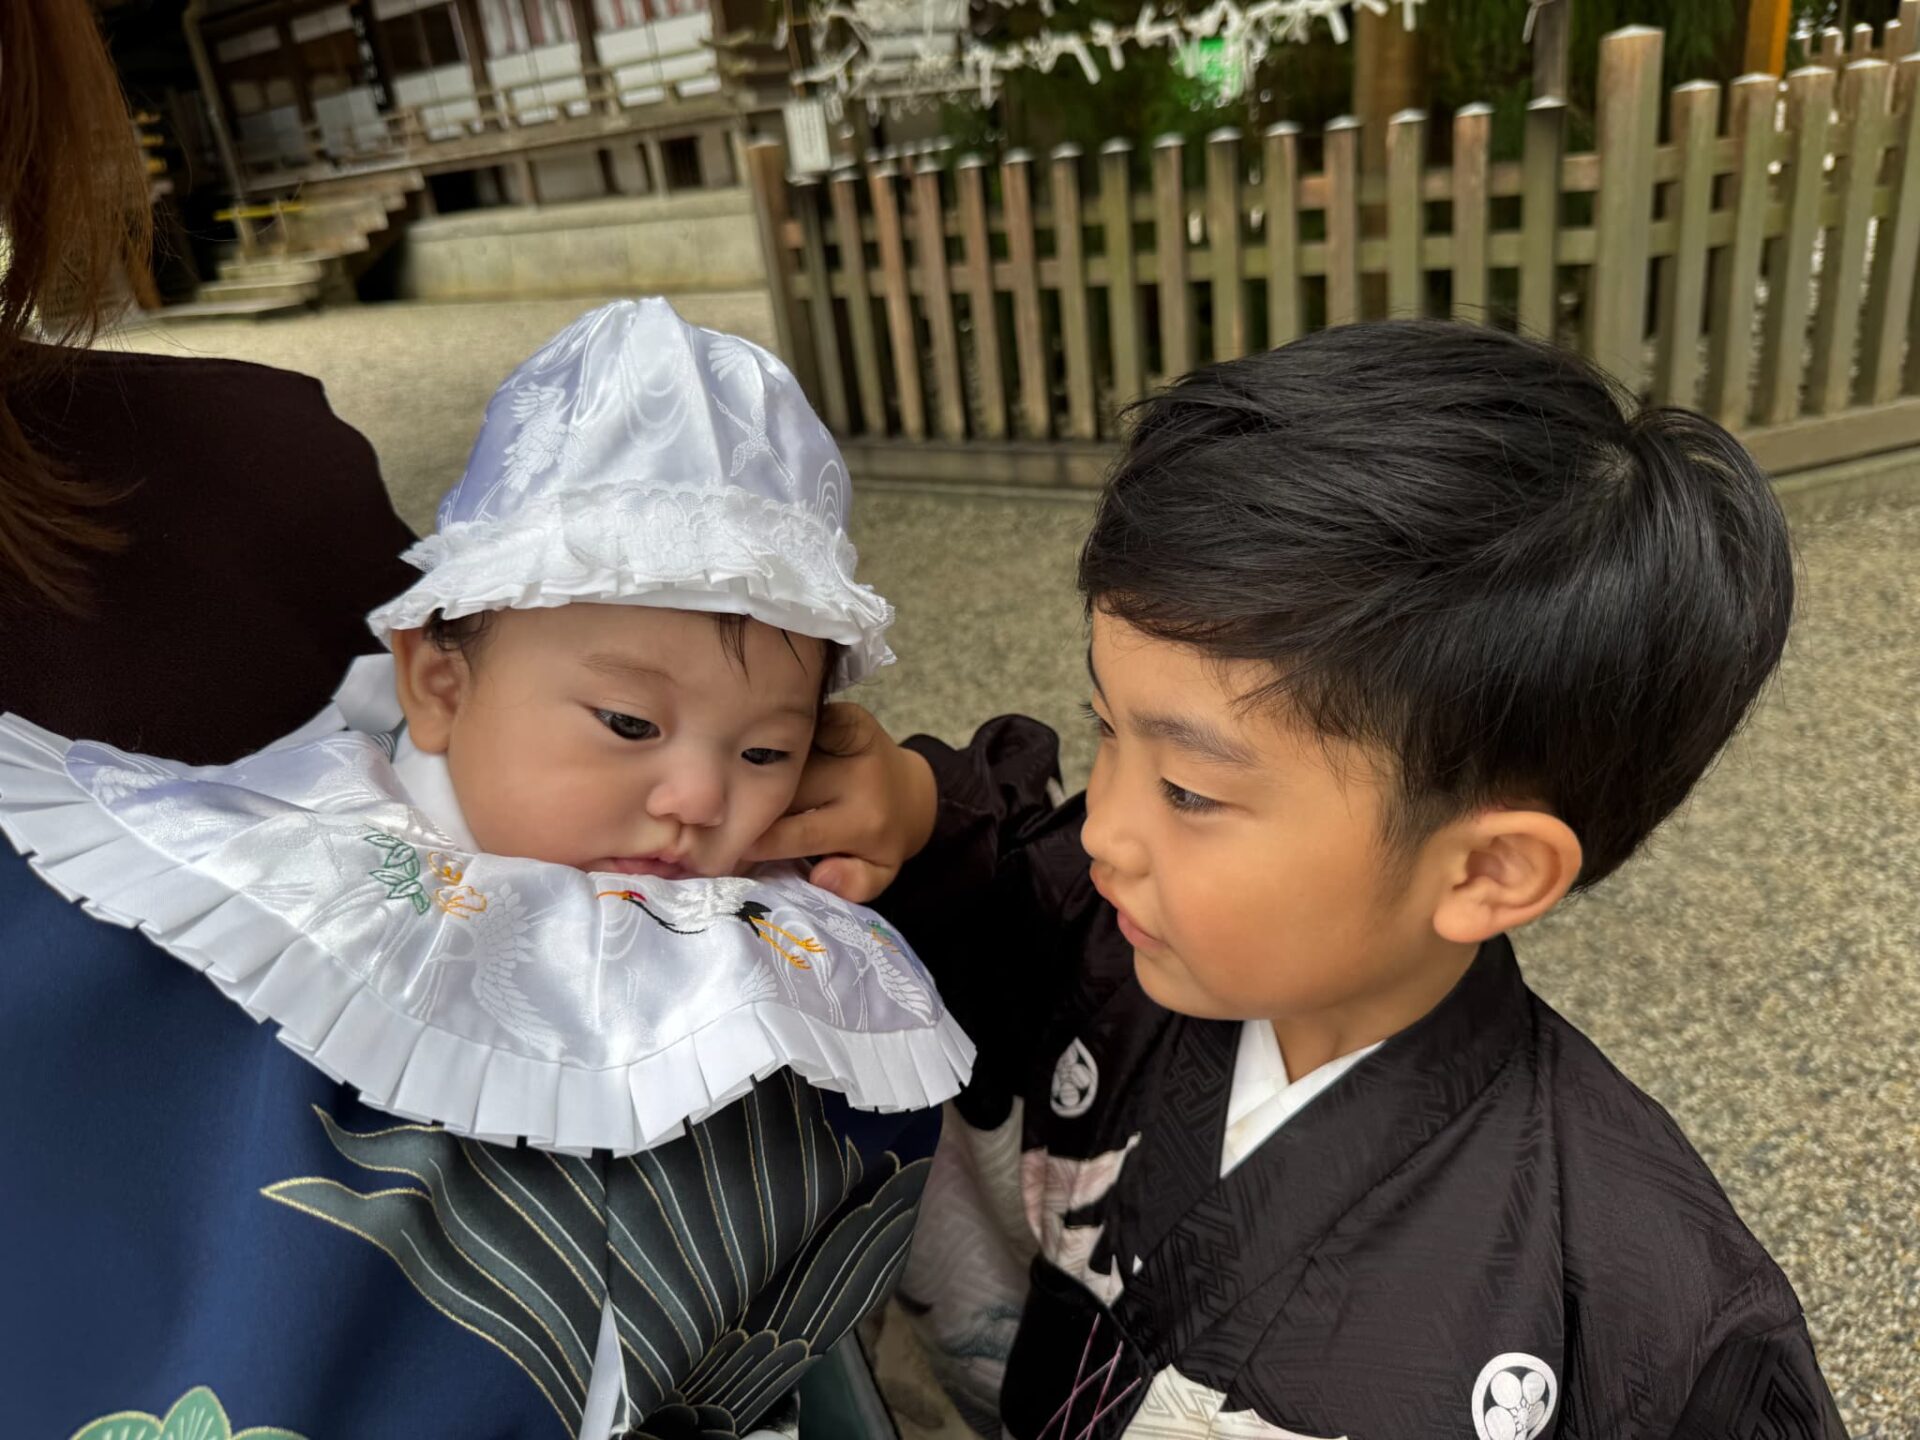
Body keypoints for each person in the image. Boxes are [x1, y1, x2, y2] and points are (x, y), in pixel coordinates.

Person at [748, 322, 1847, 1438]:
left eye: (1188, 790)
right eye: (1106, 727)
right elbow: (996, 886)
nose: (1107, 831)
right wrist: (918, 814)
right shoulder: (1106, 935)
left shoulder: (1642, 1301)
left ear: (1488, 870)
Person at [1, 298, 965, 1436]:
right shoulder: (296, 862)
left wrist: (908, 799)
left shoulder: (764, 897)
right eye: (628, 723)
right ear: (438, 684)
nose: (702, 798)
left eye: (765, 751)